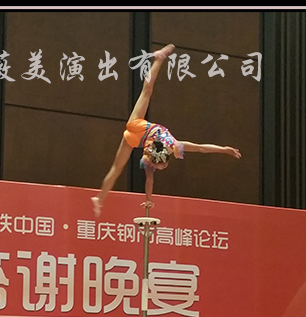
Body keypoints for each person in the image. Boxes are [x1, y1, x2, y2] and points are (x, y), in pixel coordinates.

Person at [91, 43, 242, 217]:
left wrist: (224, 149)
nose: (159, 167)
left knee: (147, 91)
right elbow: (200, 148)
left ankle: (100, 199)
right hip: (137, 134)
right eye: (160, 166)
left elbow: (199, 148)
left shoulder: (168, 147)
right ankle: (99, 200)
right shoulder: (165, 149)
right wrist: (223, 150)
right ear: (162, 159)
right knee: (116, 169)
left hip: (138, 129)